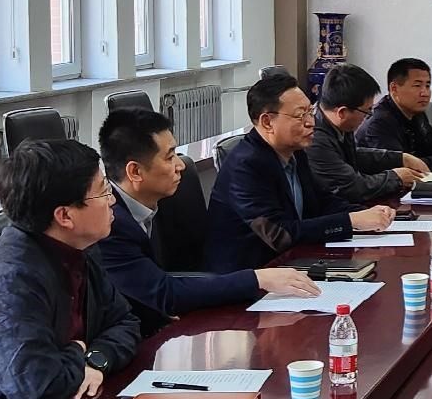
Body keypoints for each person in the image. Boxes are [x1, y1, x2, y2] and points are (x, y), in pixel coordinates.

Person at [0, 139, 141, 399]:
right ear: (65, 215)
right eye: (103, 191)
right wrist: (77, 352)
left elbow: (125, 321)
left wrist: (94, 359)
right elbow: (36, 391)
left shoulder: (75, 249)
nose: (112, 201)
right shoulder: (10, 283)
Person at [97, 108, 320, 316]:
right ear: (135, 172)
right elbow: (162, 292)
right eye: (169, 157)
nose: (181, 165)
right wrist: (257, 279)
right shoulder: (109, 223)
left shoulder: (158, 199)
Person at [205, 73, 395, 272]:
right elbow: (279, 234)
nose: (311, 122)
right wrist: (351, 221)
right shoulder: (245, 166)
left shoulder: (295, 152)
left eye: (310, 112)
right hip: (248, 275)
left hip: (292, 263)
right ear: (267, 122)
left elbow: (322, 202)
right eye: (300, 115)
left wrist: (364, 213)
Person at [308, 63, 429, 206]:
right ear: (342, 112)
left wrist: (401, 158)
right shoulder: (315, 138)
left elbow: (354, 156)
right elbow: (353, 187)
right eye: (366, 111)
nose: (369, 116)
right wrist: (396, 177)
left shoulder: (339, 124)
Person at [355, 58, 432, 177]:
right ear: (394, 88)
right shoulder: (379, 123)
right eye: (417, 86)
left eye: (427, 86)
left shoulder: (415, 110)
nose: (424, 93)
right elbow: (403, 167)